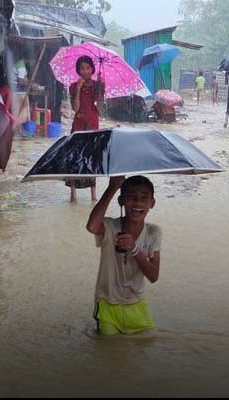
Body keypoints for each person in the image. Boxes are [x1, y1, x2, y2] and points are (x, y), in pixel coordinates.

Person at [86, 176, 162, 336]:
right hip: (107, 304)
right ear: (121, 201)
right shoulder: (110, 227)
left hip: (136, 303)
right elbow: (92, 226)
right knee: (110, 350)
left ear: (152, 203)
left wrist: (134, 249)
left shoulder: (153, 232)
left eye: (144, 198)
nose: (138, 203)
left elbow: (154, 276)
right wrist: (112, 187)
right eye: (131, 197)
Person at [66, 55, 104, 204]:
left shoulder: (98, 85)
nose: (85, 71)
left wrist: (100, 92)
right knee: (75, 157)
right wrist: (79, 88)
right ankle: (73, 194)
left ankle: (93, 195)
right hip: (78, 123)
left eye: (88, 68)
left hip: (93, 123)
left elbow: (100, 109)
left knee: (92, 158)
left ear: (92, 69)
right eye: (82, 68)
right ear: (78, 70)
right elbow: (75, 108)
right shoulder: (73, 86)